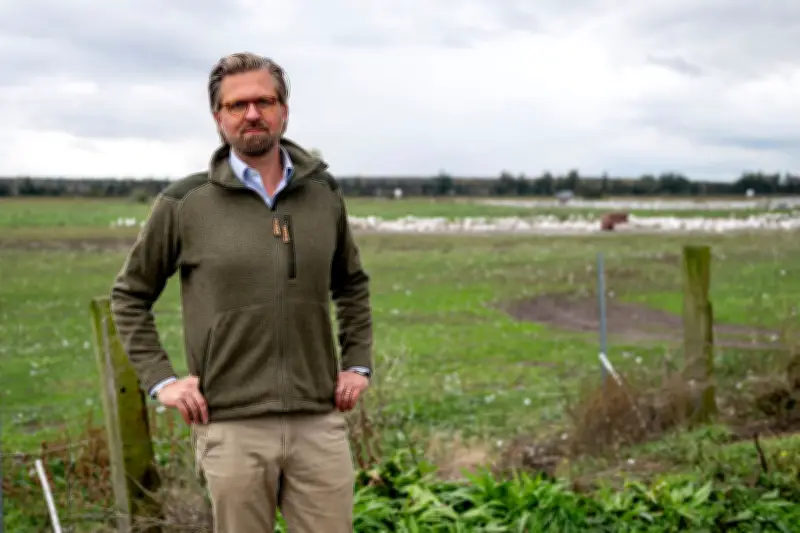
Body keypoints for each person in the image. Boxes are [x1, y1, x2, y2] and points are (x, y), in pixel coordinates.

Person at [109, 51, 373, 533]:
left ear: (283, 110)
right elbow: (130, 296)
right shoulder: (184, 203)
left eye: (264, 101)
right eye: (237, 105)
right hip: (231, 427)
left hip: (319, 421)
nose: (252, 114)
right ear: (218, 117)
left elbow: (351, 284)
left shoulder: (323, 193)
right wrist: (162, 381)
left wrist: (357, 363)